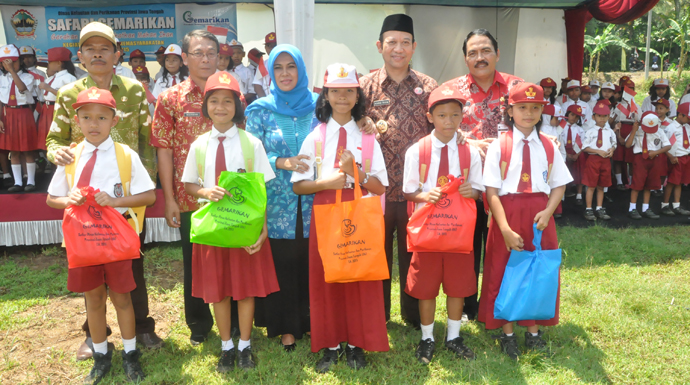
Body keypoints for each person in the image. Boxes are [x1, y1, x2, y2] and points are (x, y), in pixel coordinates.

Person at [46, 21, 162, 360]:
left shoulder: (134, 90)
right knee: (89, 262)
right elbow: (53, 140)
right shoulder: (69, 95)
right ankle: (93, 335)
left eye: (105, 48)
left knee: (131, 266)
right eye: (90, 48)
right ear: (80, 56)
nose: (98, 53)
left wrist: (144, 191)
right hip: (84, 205)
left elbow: (146, 142)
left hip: (126, 198)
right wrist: (60, 154)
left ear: (116, 54)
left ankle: (141, 327)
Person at [292, 62, 389, 373]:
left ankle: (356, 344)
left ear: (357, 95)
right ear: (326, 95)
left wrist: (355, 173)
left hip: (360, 212)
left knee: (360, 275)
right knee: (327, 279)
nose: (343, 96)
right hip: (326, 214)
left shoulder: (368, 137)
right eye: (336, 91)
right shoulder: (315, 137)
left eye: (349, 91)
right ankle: (330, 344)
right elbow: (299, 185)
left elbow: (380, 185)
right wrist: (326, 183)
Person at [181, 71, 278, 371]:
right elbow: (188, 186)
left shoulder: (251, 144)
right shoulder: (199, 145)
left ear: (238, 105)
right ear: (205, 106)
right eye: (214, 101)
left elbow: (261, 191)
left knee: (245, 290)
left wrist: (262, 230)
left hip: (243, 230)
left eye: (227, 100)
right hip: (213, 232)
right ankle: (226, 346)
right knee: (219, 291)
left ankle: (245, 346)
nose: (220, 107)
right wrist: (204, 190)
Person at [481, 83, 572, 360]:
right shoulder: (499, 146)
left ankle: (533, 330)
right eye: (522, 108)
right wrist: (505, 229)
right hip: (506, 214)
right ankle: (507, 333)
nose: (529, 113)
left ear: (542, 110)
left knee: (538, 271)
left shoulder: (548, 145)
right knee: (504, 270)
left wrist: (548, 212)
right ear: (510, 111)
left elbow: (559, 185)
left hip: (540, 215)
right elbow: (492, 192)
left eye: (535, 108)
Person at [359, 14, 437, 328]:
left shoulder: (428, 85)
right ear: (380, 46)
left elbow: (444, 124)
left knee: (413, 253)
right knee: (375, 254)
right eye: (392, 42)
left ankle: (413, 315)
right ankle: (377, 313)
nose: (398, 48)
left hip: (414, 190)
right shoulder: (363, 86)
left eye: (405, 42)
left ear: (414, 47)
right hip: (375, 189)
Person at [440, 28, 522, 321]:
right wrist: (470, 141)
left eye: (485, 50)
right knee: (468, 247)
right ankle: (468, 307)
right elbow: (438, 129)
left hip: (508, 184)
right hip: (467, 184)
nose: (480, 57)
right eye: (473, 52)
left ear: (497, 54)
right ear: (465, 58)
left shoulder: (517, 88)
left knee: (503, 244)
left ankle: (504, 301)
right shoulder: (451, 91)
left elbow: (532, 125)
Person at [151, 29, 224, 346]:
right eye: (198, 52)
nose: (205, 58)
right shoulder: (171, 99)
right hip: (188, 197)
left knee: (229, 257)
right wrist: (169, 199)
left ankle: (232, 321)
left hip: (227, 195)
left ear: (219, 57)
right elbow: (163, 150)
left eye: (211, 52)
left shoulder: (233, 96)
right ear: (185, 58)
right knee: (195, 262)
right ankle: (199, 323)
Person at [403, 85, 484, 364]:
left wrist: (471, 192)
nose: (448, 122)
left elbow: (479, 188)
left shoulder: (469, 152)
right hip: (428, 232)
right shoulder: (417, 151)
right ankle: (427, 338)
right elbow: (408, 191)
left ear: (463, 117)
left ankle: (453, 336)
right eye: (441, 115)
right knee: (425, 286)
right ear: (430, 116)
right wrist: (426, 195)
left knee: (458, 285)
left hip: (457, 233)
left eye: (454, 115)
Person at [245, 45, 318, 351]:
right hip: (276, 200)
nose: (285, 74)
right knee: (283, 261)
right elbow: (252, 152)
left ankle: (314, 320)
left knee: (312, 259)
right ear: (270, 72)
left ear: (301, 70)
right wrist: (280, 161)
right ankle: (286, 327)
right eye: (279, 68)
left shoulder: (320, 104)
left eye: (291, 67)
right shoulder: (259, 109)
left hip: (316, 197)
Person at [0, 44, 38, 193]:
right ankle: (17, 182)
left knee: (27, 150)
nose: (9, 65)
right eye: (5, 62)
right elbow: (1, 101)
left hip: (24, 114)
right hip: (8, 114)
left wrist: (12, 72)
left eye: (13, 62)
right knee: (13, 151)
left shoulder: (28, 76)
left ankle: (31, 181)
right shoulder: (2, 79)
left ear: (20, 61)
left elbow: (22, 88)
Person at [625, 111, 671, 220]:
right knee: (637, 184)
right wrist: (633, 131)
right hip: (640, 159)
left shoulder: (659, 131)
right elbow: (627, 145)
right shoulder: (638, 130)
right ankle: (632, 208)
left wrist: (656, 152)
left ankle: (646, 208)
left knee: (649, 185)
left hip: (654, 159)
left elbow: (668, 145)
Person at [582, 101, 618, 221]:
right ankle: (588, 209)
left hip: (605, 161)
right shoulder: (590, 131)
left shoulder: (610, 132)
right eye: (599, 116)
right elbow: (584, 147)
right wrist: (597, 151)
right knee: (591, 186)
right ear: (593, 117)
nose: (602, 119)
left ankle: (599, 208)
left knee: (602, 186)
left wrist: (612, 150)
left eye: (604, 116)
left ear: (608, 117)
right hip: (593, 160)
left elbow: (614, 144)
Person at [36, 47, 77, 152]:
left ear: (59, 63)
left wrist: (48, 88)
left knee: (58, 140)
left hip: (58, 109)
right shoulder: (53, 77)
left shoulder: (69, 78)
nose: (48, 64)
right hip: (47, 109)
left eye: (50, 61)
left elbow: (70, 97)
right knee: (48, 142)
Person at [661, 102, 690, 215]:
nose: (688, 120)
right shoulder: (671, 128)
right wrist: (671, 156)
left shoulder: (687, 127)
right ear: (680, 115)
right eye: (687, 118)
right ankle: (665, 205)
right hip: (676, 158)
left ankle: (676, 205)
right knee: (672, 182)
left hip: (686, 157)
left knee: (680, 182)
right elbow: (664, 145)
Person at [611, 81, 639, 190]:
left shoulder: (636, 106)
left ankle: (631, 183)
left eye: (631, 90)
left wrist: (632, 135)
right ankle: (619, 182)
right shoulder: (619, 106)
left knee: (631, 160)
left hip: (632, 131)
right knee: (618, 158)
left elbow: (639, 122)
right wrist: (618, 137)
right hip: (620, 131)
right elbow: (613, 122)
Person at [561, 104, 586, 206]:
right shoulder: (561, 127)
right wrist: (566, 154)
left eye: (577, 116)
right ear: (567, 114)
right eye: (572, 114)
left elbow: (583, 143)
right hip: (564, 151)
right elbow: (560, 141)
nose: (574, 118)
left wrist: (577, 154)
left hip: (577, 152)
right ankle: (562, 194)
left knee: (578, 173)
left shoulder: (580, 129)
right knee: (563, 172)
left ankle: (579, 195)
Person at [252, 32, 276, 98]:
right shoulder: (263, 64)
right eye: (269, 46)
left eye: (275, 45)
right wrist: (265, 101)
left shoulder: (284, 62)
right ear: (265, 48)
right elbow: (257, 85)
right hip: (266, 98)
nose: (272, 48)